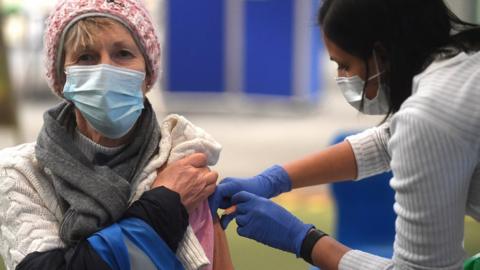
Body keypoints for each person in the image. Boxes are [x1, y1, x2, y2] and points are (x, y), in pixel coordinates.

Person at [209, 0, 480, 269]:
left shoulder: (429, 115)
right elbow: (391, 140)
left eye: (345, 65)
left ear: (380, 56)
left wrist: (304, 239)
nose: (342, 77)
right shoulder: (464, 65)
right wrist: (273, 180)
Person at [0, 0, 233, 269]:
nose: (105, 70)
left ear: (147, 75)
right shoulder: (21, 174)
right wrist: (162, 206)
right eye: (85, 57)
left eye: (122, 53)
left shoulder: (183, 158)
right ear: (62, 80)